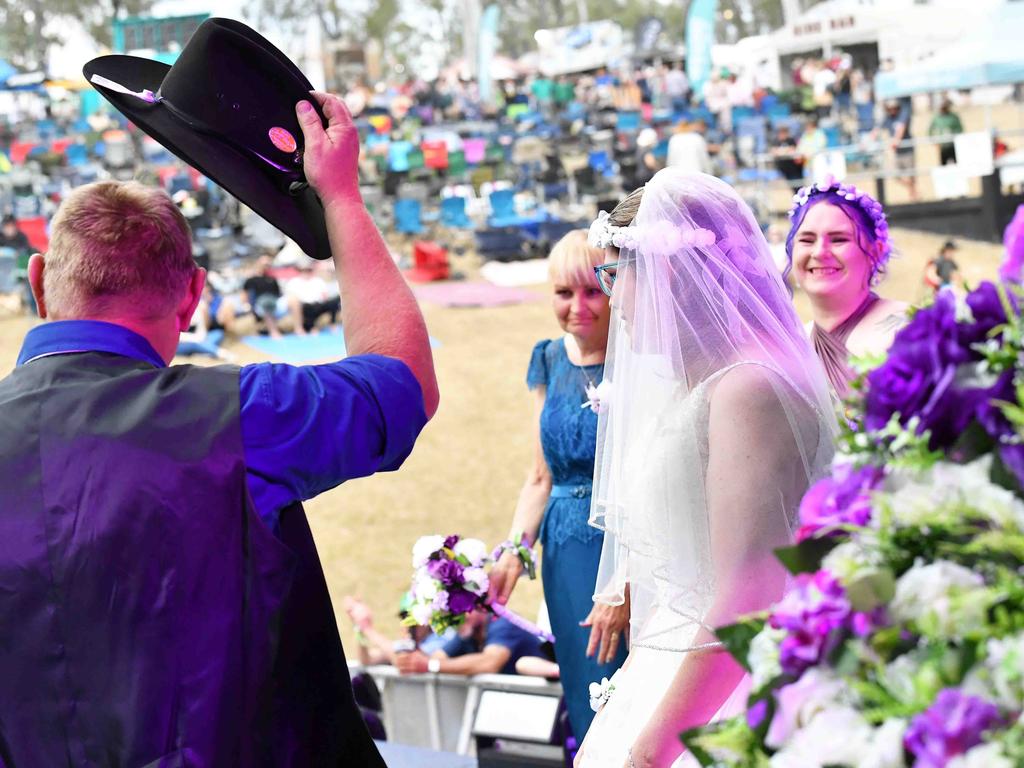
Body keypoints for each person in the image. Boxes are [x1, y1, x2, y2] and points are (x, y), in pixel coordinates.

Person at [0, 90, 439, 764]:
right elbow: (402, 382)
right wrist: (342, 198)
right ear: (193, 296)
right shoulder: (238, 411)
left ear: (38, 283)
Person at [574, 169, 836, 768]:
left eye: (616, 276)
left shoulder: (748, 390)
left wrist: (653, 749)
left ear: (669, 273)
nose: (613, 302)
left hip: (726, 693)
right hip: (671, 663)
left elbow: (750, 593)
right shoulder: (701, 385)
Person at [489, 229, 628, 742]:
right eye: (563, 293)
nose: (577, 307)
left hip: (625, 546)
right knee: (584, 689)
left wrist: (626, 579)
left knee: (629, 689)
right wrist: (513, 550)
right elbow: (540, 476)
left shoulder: (638, 362)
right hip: (563, 550)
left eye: (592, 290)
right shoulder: (547, 358)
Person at [786, 177, 909, 399]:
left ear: (877, 250)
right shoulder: (792, 345)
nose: (819, 252)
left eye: (838, 239)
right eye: (806, 240)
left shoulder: (911, 329)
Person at [394, 610, 543, 676]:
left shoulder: (503, 622)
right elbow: (436, 658)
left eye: (462, 609)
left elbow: (489, 662)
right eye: (450, 612)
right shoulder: (467, 632)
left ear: (480, 605)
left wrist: (429, 666)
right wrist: (414, 660)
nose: (457, 617)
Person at [286, 259, 342, 334]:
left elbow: (325, 295)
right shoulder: (293, 282)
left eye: (308, 270)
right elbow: (291, 297)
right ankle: (304, 328)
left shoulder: (318, 281)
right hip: (305, 306)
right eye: (304, 270)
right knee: (308, 308)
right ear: (300, 270)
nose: (306, 272)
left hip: (318, 304)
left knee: (334, 301)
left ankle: (332, 324)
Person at [881, 98, 918, 201]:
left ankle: (913, 195)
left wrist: (896, 140)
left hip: (907, 150)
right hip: (897, 152)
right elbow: (878, 129)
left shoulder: (903, 114)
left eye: (894, 108)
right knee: (896, 175)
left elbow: (901, 128)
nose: (892, 110)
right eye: (890, 108)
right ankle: (913, 190)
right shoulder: (887, 118)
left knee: (911, 175)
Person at [243, 253, 287, 338]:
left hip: (274, 302)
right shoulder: (252, 279)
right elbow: (245, 293)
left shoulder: (272, 278)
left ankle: (299, 328)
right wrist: (246, 304)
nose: (266, 266)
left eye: (268, 264)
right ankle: (273, 331)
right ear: (258, 264)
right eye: (264, 264)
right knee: (266, 302)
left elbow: (278, 293)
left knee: (293, 299)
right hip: (260, 305)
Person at [928, 99, 964, 166]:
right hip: (943, 147)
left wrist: (954, 135)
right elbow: (929, 130)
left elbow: (960, 130)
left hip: (953, 145)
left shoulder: (954, 117)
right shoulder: (936, 118)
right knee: (943, 166)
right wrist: (934, 141)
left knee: (956, 165)